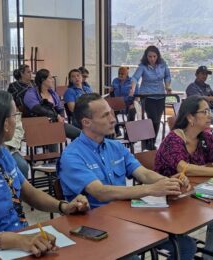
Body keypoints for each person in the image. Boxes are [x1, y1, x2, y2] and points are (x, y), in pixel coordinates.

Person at [0, 89, 89, 257]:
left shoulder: (1, 151)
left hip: (14, 242)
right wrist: (19, 241)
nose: (17, 121)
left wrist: (62, 206)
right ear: (5, 123)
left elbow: (28, 191)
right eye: (15, 116)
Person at [58, 93, 195, 259]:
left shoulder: (115, 147)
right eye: (105, 115)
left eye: (111, 112)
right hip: (95, 224)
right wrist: (150, 189)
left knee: (185, 245)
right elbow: (100, 192)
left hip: (126, 216)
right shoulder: (72, 155)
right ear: (86, 122)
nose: (113, 119)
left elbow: (142, 173)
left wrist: (169, 182)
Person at [155, 95, 213, 259]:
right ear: (190, 117)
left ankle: (209, 257)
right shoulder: (174, 139)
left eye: (209, 111)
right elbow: (185, 168)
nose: (210, 115)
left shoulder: (204, 137)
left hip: (193, 194)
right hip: (169, 200)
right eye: (204, 112)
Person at [131, 45, 172, 150]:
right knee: (151, 119)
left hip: (160, 95)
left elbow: (167, 76)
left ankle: (151, 143)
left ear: (158, 56)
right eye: (150, 56)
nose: (152, 59)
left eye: (154, 56)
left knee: (157, 120)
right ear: (146, 56)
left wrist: (168, 87)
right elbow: (135, 78)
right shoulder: (142, 66)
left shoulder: (162, 65)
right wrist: (132, 89)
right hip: (147, 96)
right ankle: (147, 142)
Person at [23, 69, 81, 140]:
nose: (53, 80)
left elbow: (60, 108)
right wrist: (57, 116)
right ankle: (52, 150)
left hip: (55, 122)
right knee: (52, 132)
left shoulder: (52, 93)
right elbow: (37, 109)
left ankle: (75, 150)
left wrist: (62, 117)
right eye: (50, 78)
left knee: (80, 134)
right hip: (37, 124)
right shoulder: (31, 93)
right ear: (43, 80)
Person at [186, 66, 213, 132]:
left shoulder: (207, 86)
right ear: (196, 74)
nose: (205, 76)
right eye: (202, 74)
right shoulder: (191, 87)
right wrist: (209, 98)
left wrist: (206, 98)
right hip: (202, 112)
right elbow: (198, 99)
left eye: (206, 74)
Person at [110, 66, 137, 136]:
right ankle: (117, 130)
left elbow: (136, 94)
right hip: (118, 103)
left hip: (129, 102)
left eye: (122, 74)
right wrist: (111, 91)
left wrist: (133, 102)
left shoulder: (132, 81)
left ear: (127, 74)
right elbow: (112, 94)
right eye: (119, 73)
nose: (120, 75)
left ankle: (128, 134)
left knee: (132, 110)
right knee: (109, 111)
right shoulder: (115, 80)